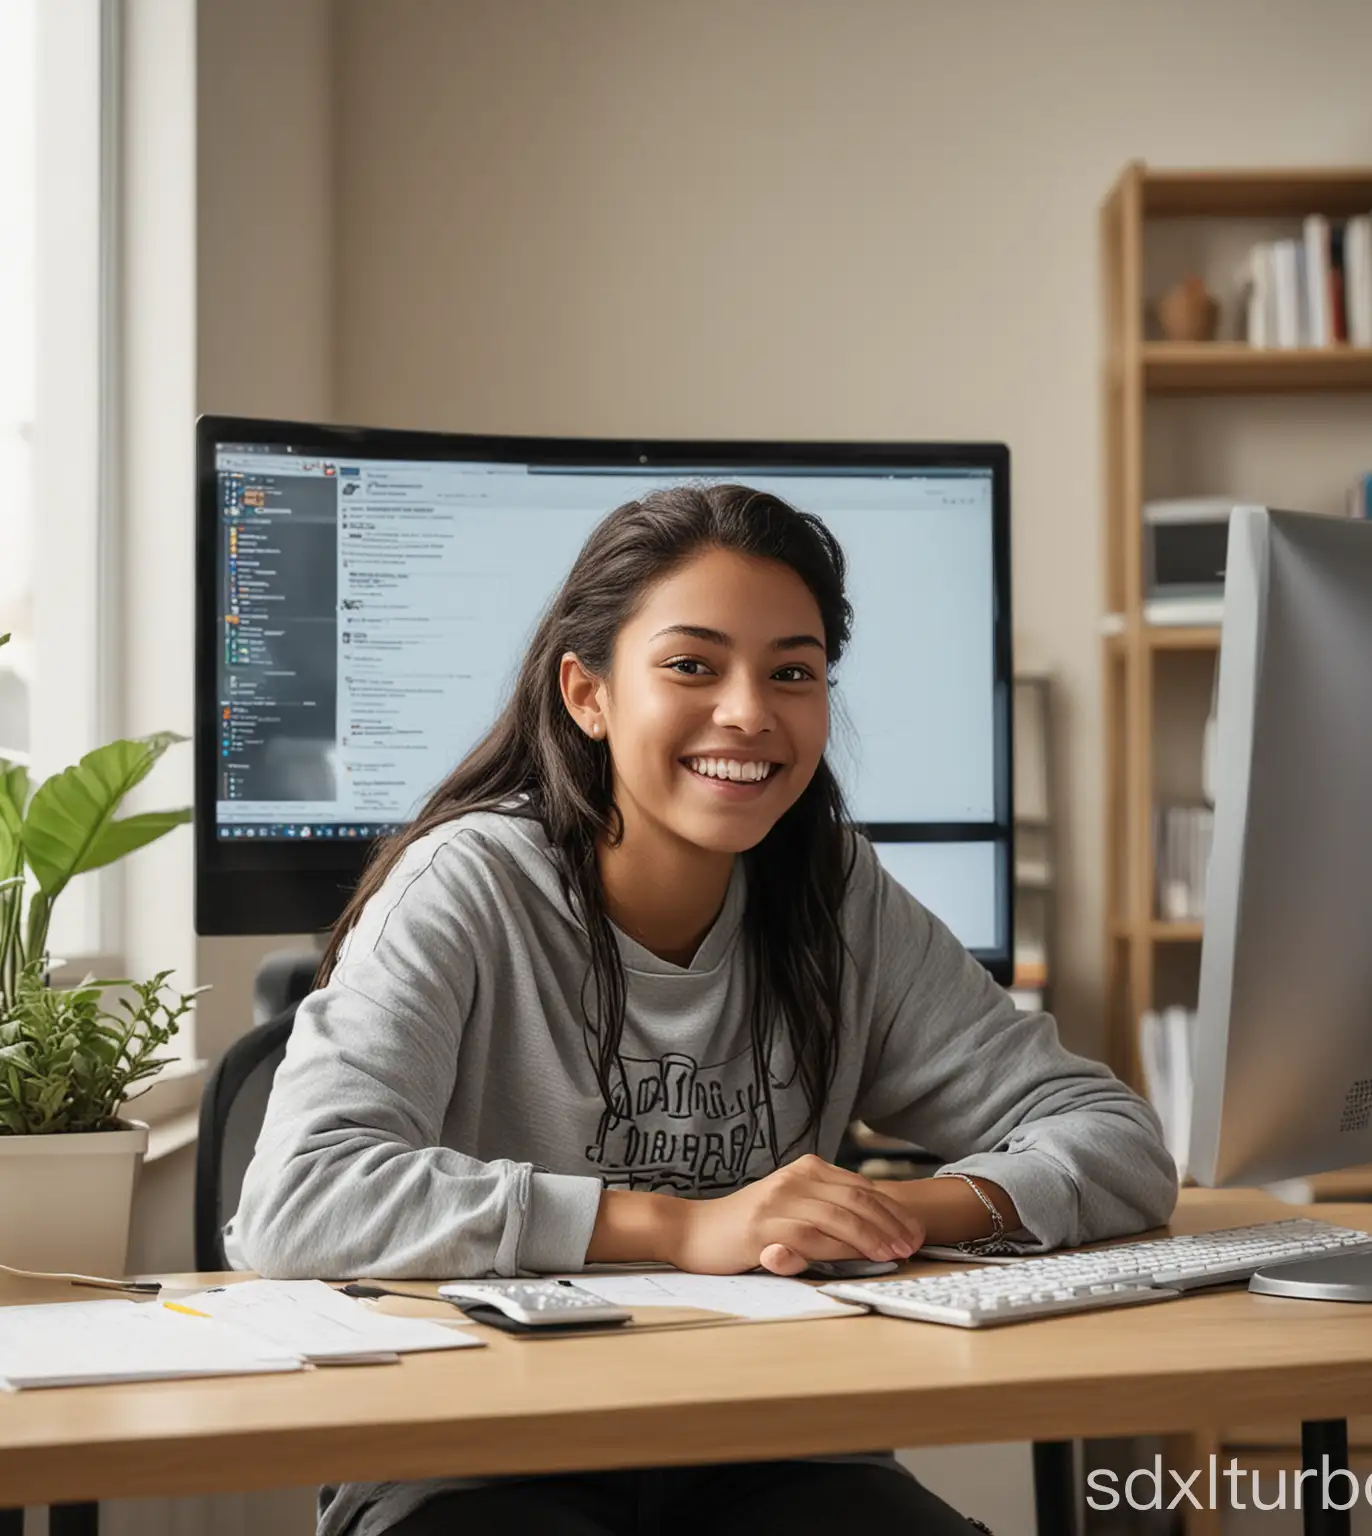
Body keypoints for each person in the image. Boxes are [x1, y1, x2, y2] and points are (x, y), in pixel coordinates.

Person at [230, 484, 1179, 1536]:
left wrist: (901, 1215)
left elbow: (1116, 1141)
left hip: (768, 1451)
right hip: (479, 1459)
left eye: (793, 672)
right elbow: (297, 1201)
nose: (749, 712)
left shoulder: (832, 894)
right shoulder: (464, 884)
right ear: (587, 694)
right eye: (692, 665)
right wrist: (686, 1228)